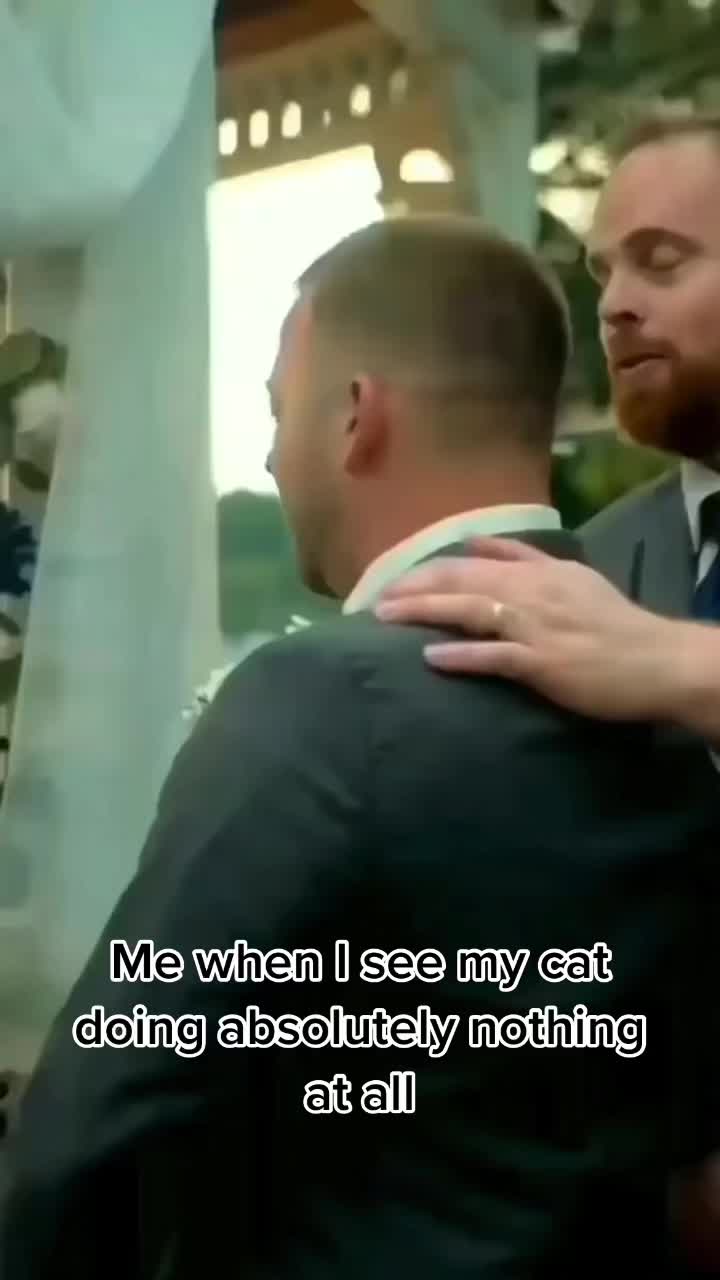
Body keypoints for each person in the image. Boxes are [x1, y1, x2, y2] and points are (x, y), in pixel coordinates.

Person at [2, 215, 717, 1279]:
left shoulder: (322, 699)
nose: (268, 454)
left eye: (277, 411)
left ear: (356, 415)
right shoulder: (676, 702)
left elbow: (99, 1122)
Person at [373, 111, 720, 1265]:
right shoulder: (587, 566)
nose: (614, 304)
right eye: (604, 270)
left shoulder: (609, 619)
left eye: (661, 260)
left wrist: (675, 664)